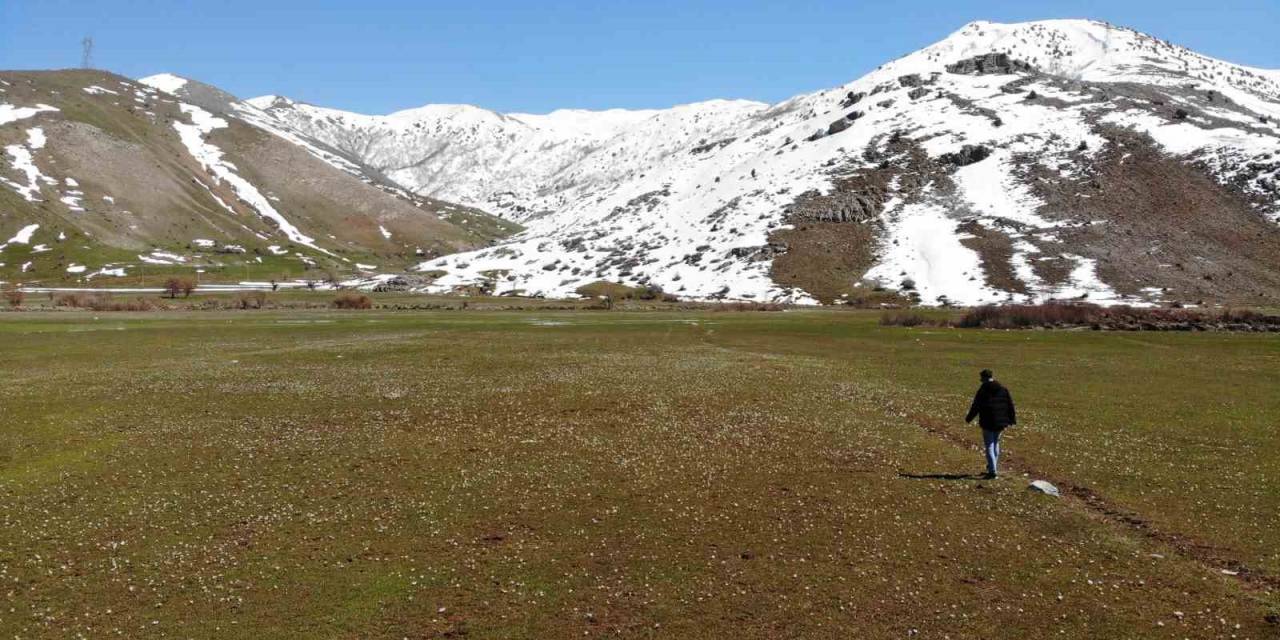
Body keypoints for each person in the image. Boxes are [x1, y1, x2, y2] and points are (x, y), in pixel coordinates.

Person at [965, 369, 1016, 479]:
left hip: (987, 421)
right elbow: (1010, 404)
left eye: (981, 378)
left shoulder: (983, 390)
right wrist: (1012, 419)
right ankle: (993, 467)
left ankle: (992, 471)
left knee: (989, 445)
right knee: (996, 443)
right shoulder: (1003, 389)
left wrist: (969, 418)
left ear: (984, 378)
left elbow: (976, 406)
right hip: (1001, 422)